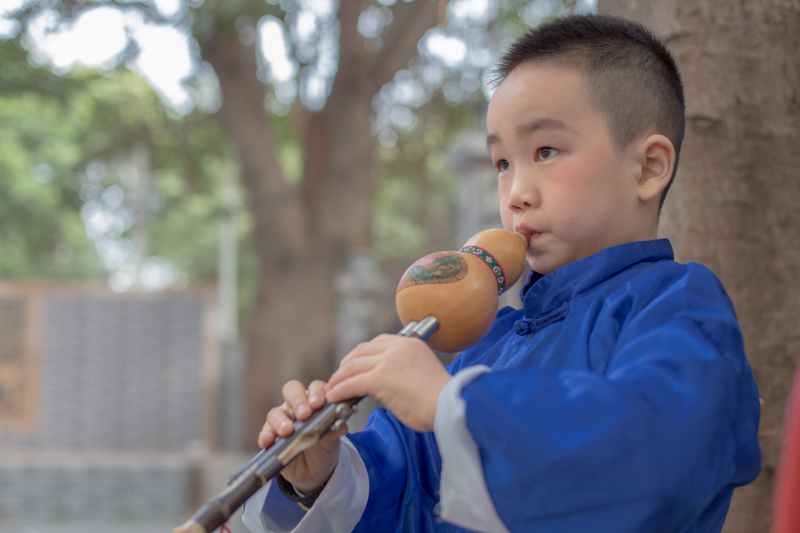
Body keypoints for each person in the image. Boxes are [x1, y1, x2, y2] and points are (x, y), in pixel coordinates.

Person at [243, 14, 761, 533]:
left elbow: (655, 454)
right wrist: (318, 476)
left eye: (546, 151)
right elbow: (408, 495)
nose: (516, 193)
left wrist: (450, 403)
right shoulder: (483, 346)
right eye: (501, 163)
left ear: (648, 167)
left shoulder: (679, 306)